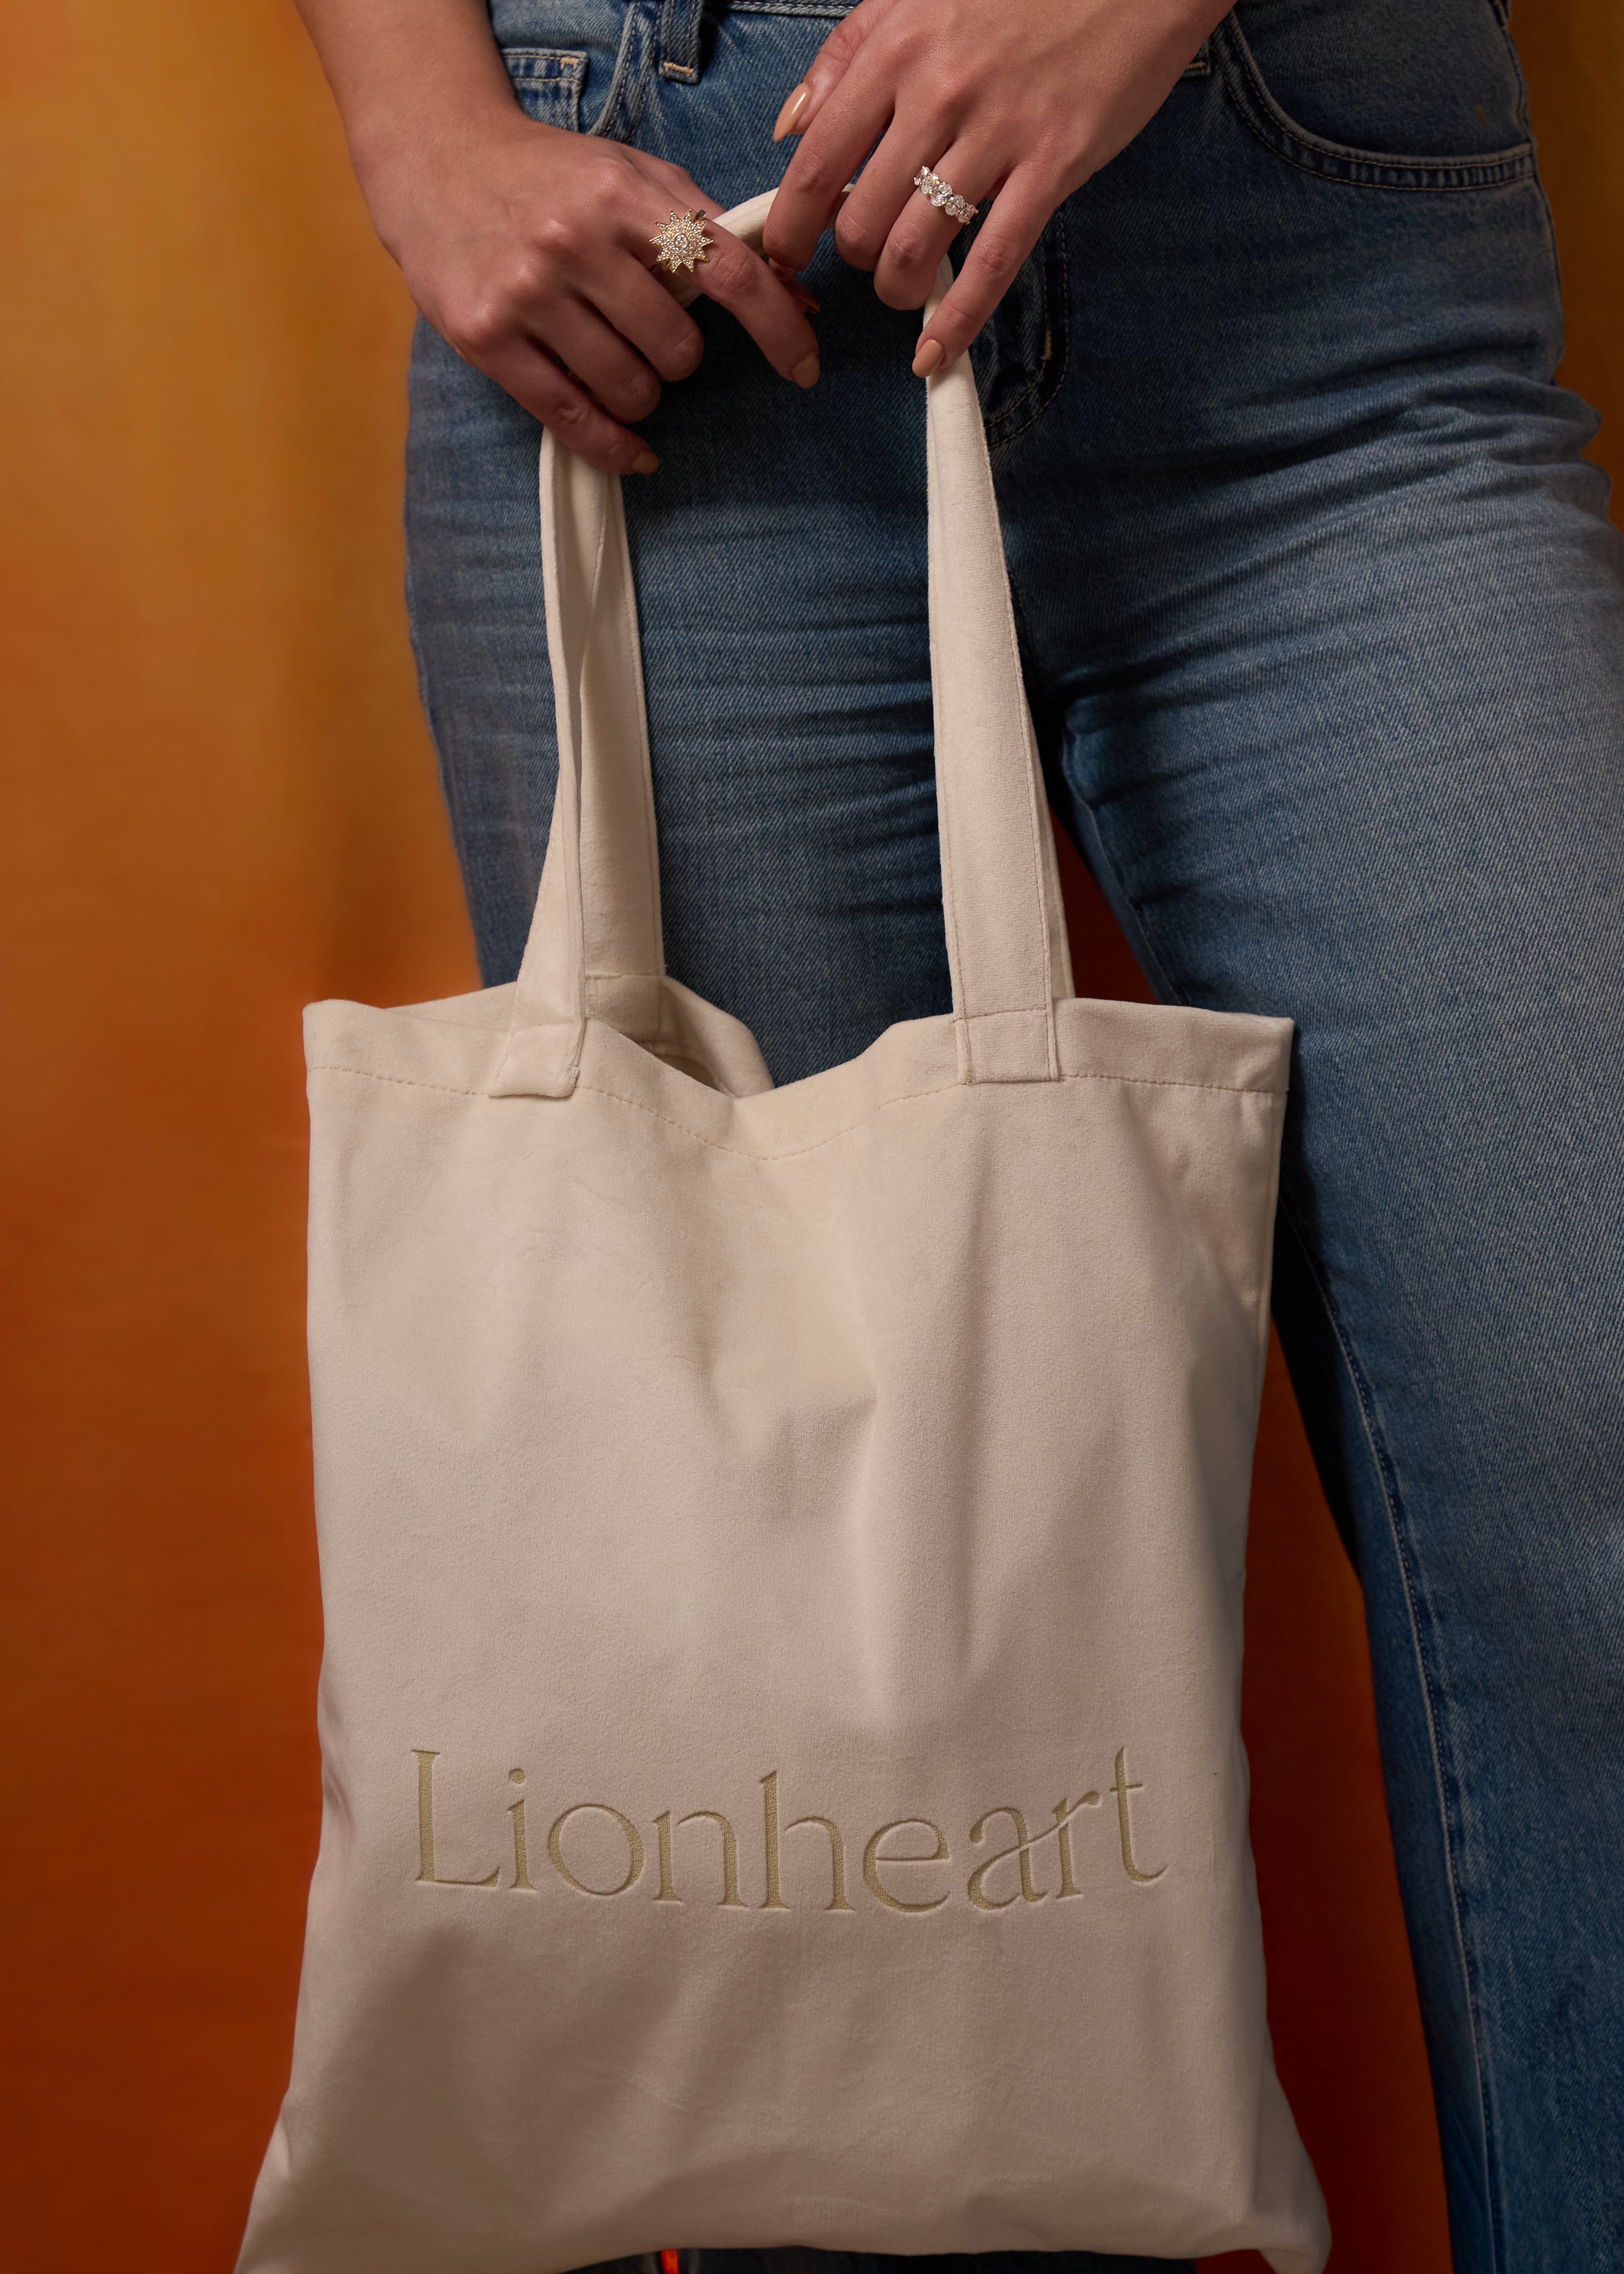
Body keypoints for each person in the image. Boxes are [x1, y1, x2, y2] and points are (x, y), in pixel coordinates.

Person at [291, 1, 1624, 2268]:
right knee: (795, 1685)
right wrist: (418, 124)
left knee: (1585, 1454)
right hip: (667, 282)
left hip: (1314, 242)